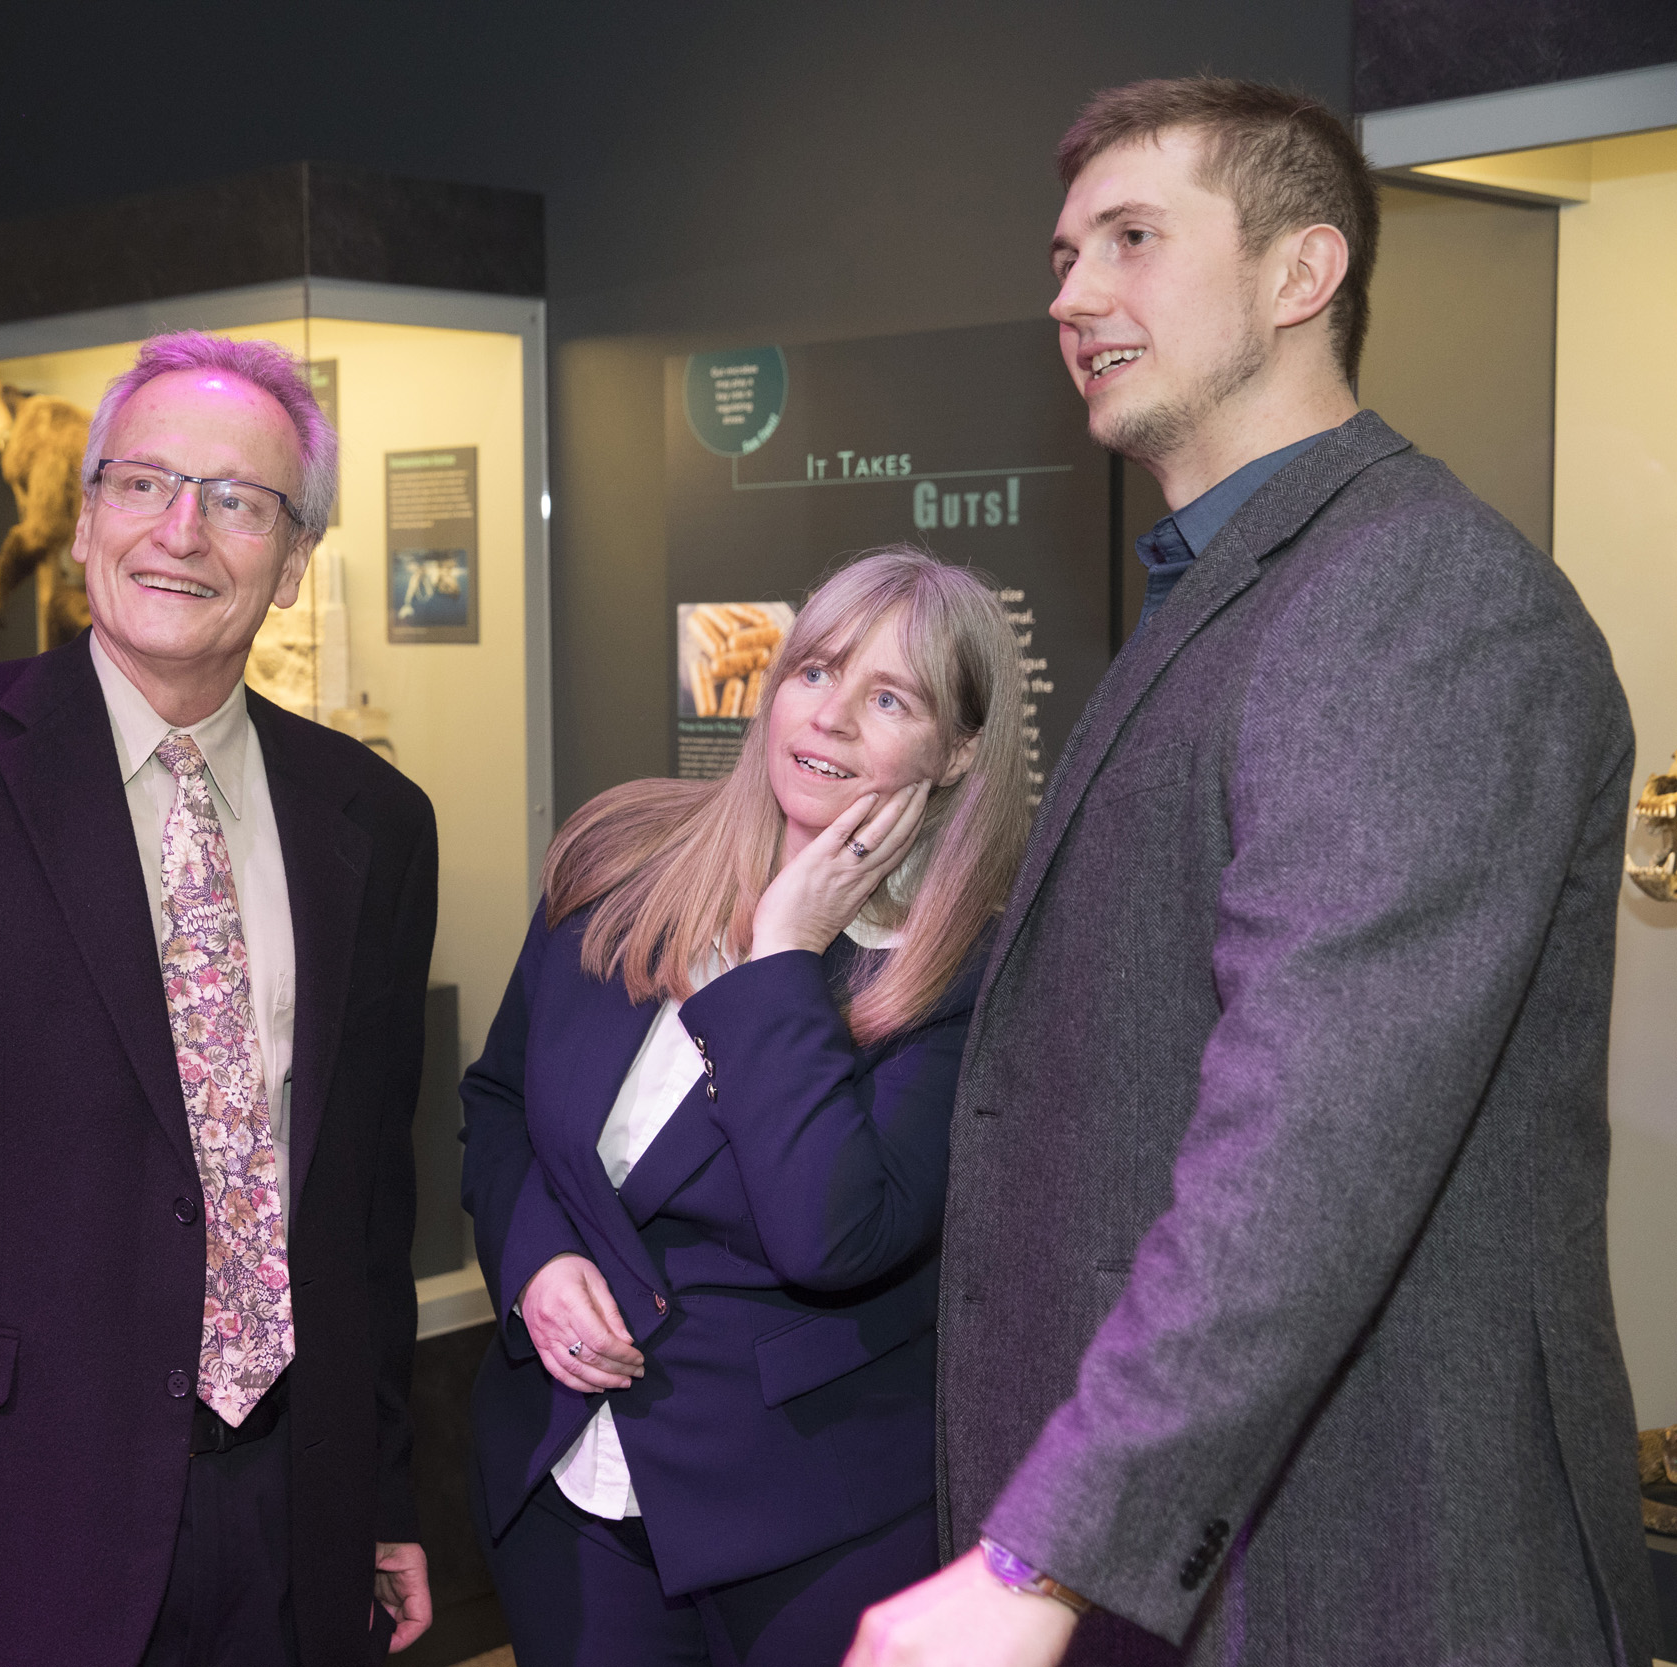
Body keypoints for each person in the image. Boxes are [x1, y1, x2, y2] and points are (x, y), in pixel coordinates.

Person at [848, 78, 1660, 1666]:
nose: (1074, 294)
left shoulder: (1413, 595)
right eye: (1069, 252)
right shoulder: (1247, 584)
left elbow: (1311, 1141)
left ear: (1304, 275)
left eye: (1135, 239)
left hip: (1367, 1559)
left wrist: (1037, 1561)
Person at [0, 331, 439, 1666]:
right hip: (30, 1487)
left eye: (237, 499)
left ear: (291, 564)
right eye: (143, 482)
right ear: (84, 517)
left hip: (297, 1488)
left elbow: (367, 1193)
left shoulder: (376, 821)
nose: (182, 529)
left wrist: (384, 1486)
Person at [462, 549, 1033, 1666]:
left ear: (958, 748)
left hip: (806, 1530)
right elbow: (497, 1104)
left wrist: (782, 955)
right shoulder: (619, 858)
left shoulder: (973, 974)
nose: (828, 719)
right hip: (568, 1491)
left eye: (888, 699)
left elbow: (834, 1234)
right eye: (814, 671)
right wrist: (532, 1259)